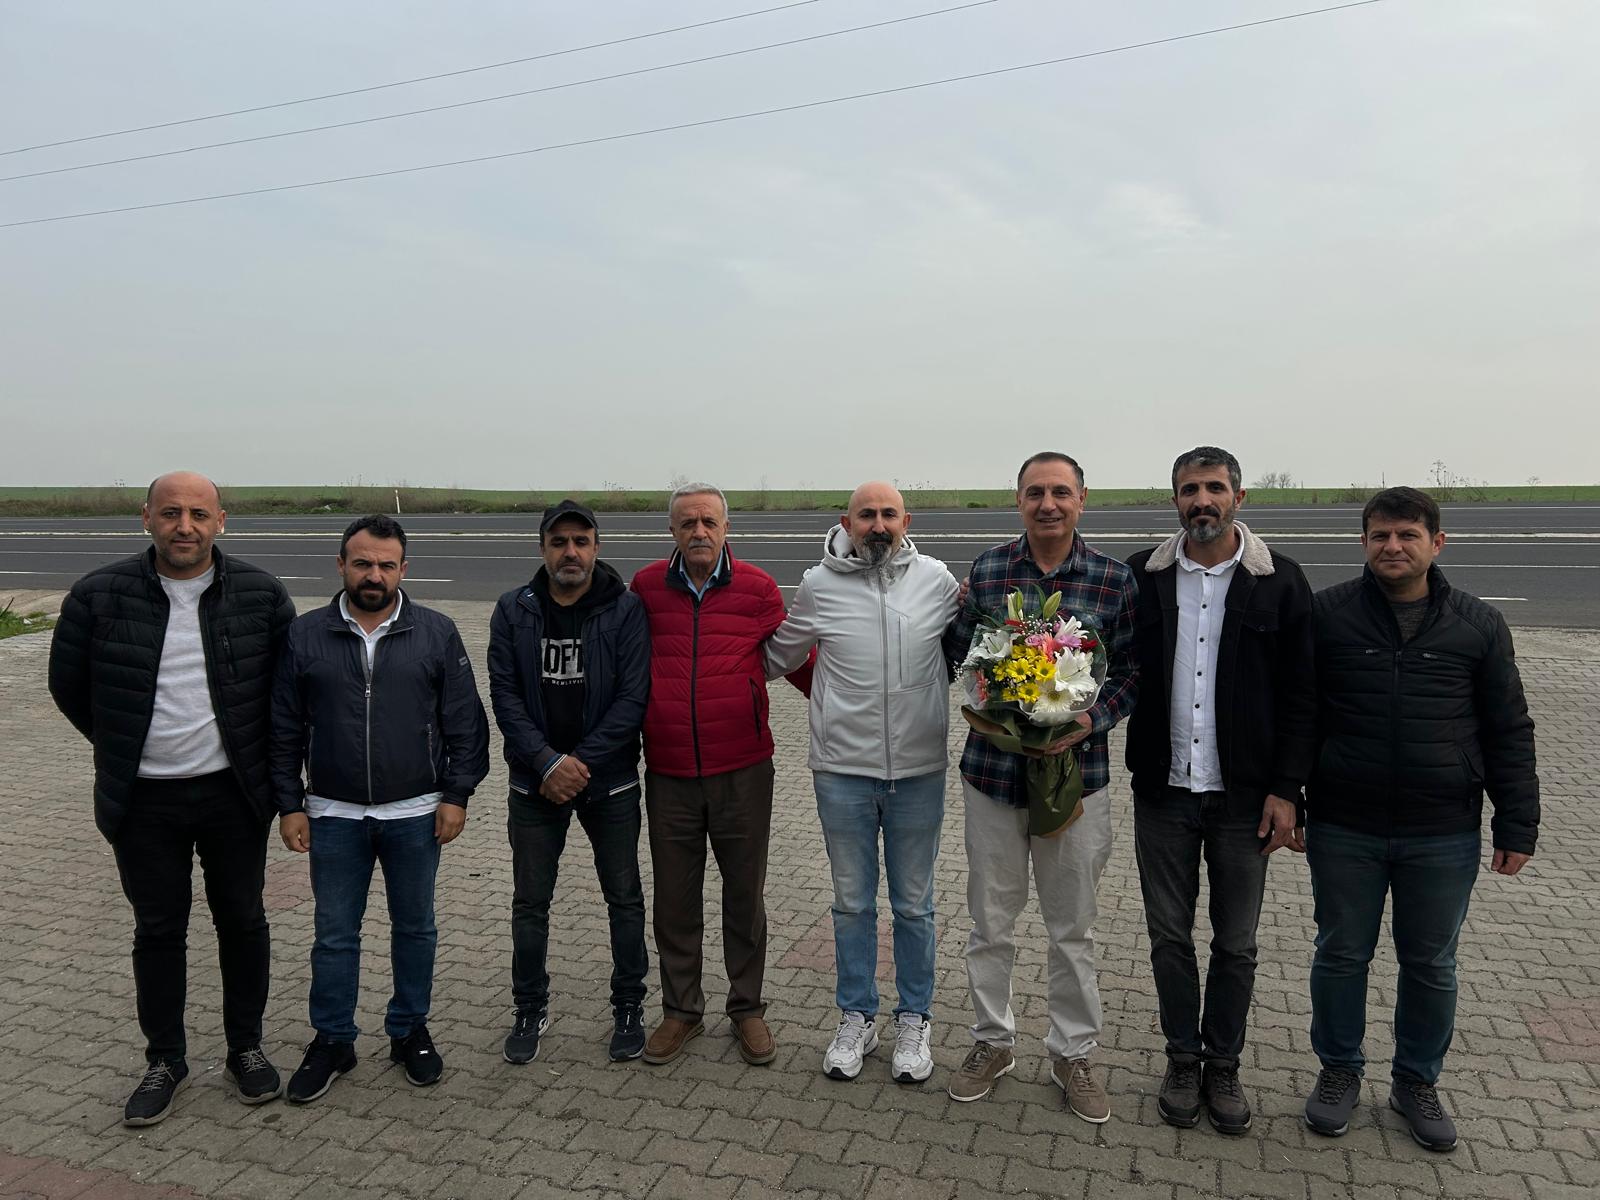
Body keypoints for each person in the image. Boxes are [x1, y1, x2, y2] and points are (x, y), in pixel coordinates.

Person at [48, 472, 295, 1125]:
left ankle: (245, 1049)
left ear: (221, 521)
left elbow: (286, 692)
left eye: (198, 514)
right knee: (158, 930)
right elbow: (68, 686)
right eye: (170, 513)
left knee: (243, 922)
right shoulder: (98, 595)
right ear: (146, 518)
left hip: (233, 795)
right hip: (143, 800)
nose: (184, 526)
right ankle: (165, 1059)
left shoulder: (262, 595)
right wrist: (123, 744)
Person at [1302, 487, 1539, 1152]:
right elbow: (1300, 712)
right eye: (1380, 535)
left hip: (1443, 830)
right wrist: (1287, 792)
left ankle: (1415, 1082)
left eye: (1407, 535)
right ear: (1363, 542)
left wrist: (1517, 823)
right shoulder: (1327, 615)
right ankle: (1339, 1072)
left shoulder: (1478, 624)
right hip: (1344, 823)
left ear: (1437, 543)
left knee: (1431, 963)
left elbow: (1508, 728)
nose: (1393, 547)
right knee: (1341, 955)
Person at [940, 451, 1138, 1122]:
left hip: (1077, 780)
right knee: (990, 922)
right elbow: (962, 654)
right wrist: (987, 682)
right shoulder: (990, 569)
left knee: (1071, 926)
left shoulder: (1113, 579)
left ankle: (1072, 1052)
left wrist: (1086, 719)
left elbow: (1131, 671)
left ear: (1082, 499)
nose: (1047, 504)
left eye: (1059, 492)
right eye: (1034, 493)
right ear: (1018, 500)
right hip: (993, 778)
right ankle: (992, 1042)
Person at [1124, 446, 1315, 1134]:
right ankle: (1183, 1059)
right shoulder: (1142, 576)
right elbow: (1111, 665)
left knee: (1236, 943)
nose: (1201, 500)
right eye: (1188, 489)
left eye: (1213, 487)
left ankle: (1224, 1065)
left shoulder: (1280, 582)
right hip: (1164, 792)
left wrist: (1288, 789)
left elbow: (1303, 696)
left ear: (1239, 496)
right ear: (1174, 499)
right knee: (1168, 937)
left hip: (1245, 800)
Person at [270, 514, 489, 1103]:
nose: (374, 575)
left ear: (403, 569)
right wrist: (289, 804)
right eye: (362, 563)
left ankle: (408, 1030)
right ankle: (333, 1040)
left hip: (416, 813)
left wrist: (456, 795)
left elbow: (465, 722)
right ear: (341, 564)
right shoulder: (305, 634)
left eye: (386, 565)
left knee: (415, 928)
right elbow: (283, 726)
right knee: (334, 935)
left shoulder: (436, 632)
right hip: (332, 813)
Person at [765, 481, 959, 1084]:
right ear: (846, 523)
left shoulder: (937, 581)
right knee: (852, 903)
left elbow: (975, 651)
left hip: (918, 773)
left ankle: (914, 1019)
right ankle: (857, 1015)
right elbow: (778, 655)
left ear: (906, 521)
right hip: (842, 772)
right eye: (866, 515)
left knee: (914, 906)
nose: (878, 524)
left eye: (888, 514)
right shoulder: (818, 585)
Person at [629, 483, 809, 1066]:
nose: (699, 532)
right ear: (672, 532)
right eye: (687, 523)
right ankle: (681, 1011)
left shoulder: (757, 588)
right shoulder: (646, 587)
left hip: (744, 769)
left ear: (727, 528)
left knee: (744, 894)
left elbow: (795, 659)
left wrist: (848, 699)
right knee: (674, 899)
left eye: (709, 521)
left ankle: (747, 1007)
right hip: (669, 770)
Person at [487, 500, 652, 1064]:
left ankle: (628, 1006)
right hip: (535, 784)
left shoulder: (625, 609)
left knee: (624, 898)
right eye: (559, 542)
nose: (570, 552)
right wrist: (546, 763)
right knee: (531, 902)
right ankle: (529, 1007)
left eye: (581, 541)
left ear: (596, 548)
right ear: (543, 549)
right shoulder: (514, 609)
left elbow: (633, 696)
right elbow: (504, 695)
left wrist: (579, 762)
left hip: (610, 781)